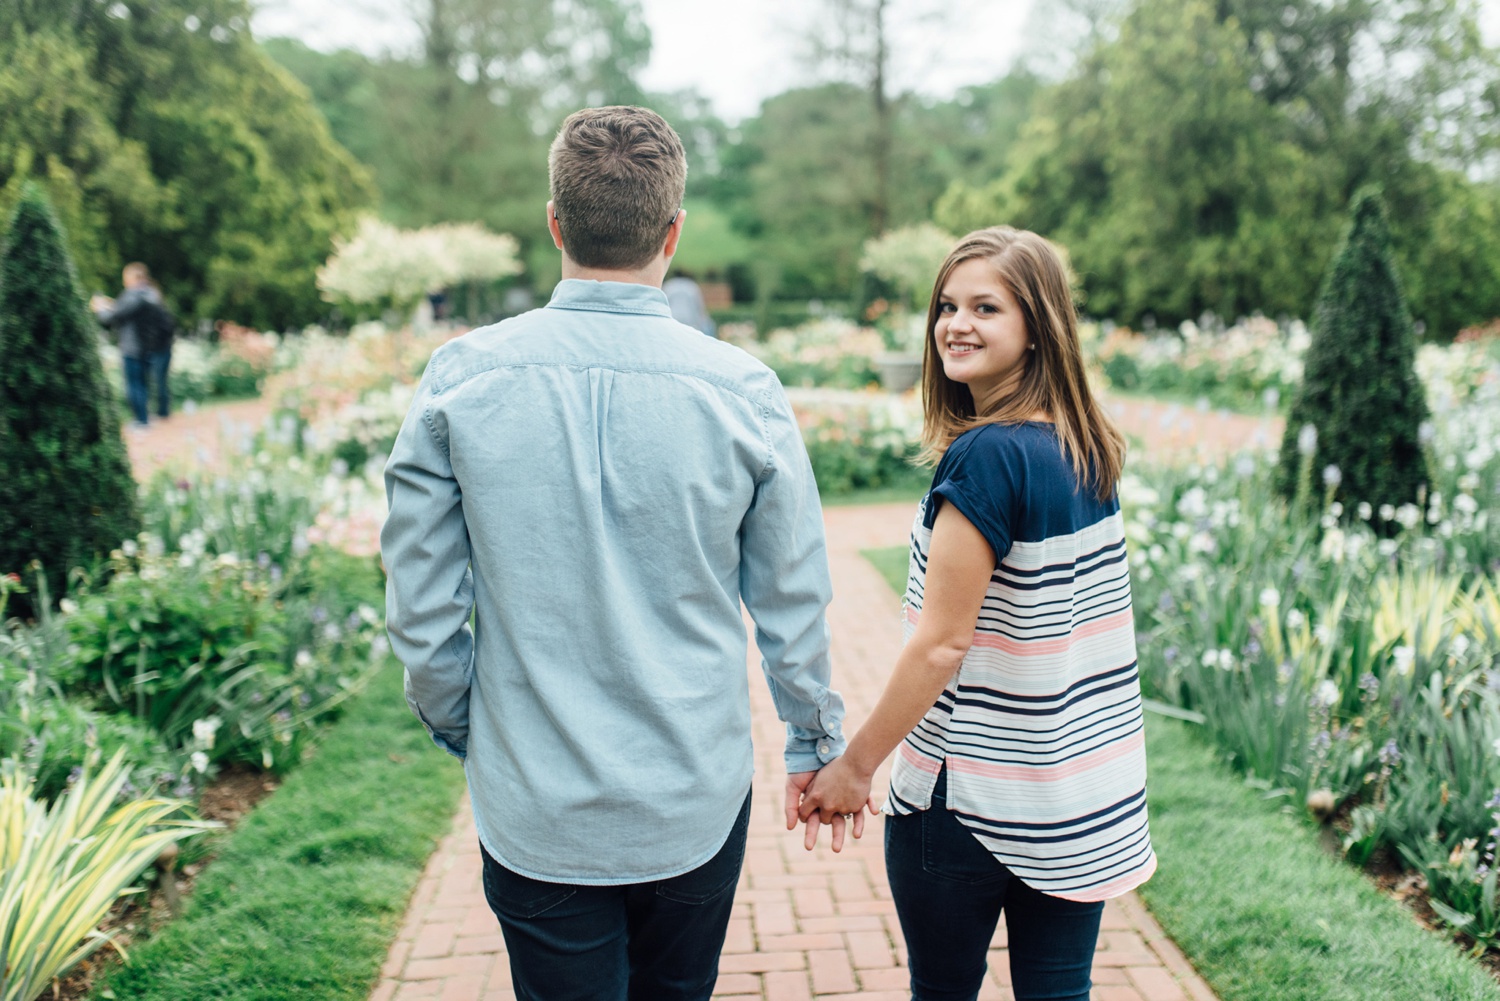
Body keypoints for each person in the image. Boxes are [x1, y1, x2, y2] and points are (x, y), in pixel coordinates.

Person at [380, 106, 852, 1001]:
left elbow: (421, 605)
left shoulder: (460, 379)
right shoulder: (743, 391)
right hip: (692, 790)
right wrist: (812, 739)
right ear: (673, 232)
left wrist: (463, 725)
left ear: (554, 223)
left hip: (535, 796)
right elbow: (793, 601)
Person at [798, 227, 1156, 1001]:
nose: (956, 323)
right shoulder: (1086, 447)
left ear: (1038, 329)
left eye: (986, 307)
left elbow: (940, 644)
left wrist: (855, 766)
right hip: (1077, 793)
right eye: (948, 304)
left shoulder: (987, 456)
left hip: (967, 801)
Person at [92, 262, 173, 427]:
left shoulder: (133, 296)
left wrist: (99, 309)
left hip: (132, 347)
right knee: (143, 384)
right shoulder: (152, 295)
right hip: (147, 346)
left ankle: (141, 420)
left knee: (134, 385)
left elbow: (112, 318)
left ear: (132, 278)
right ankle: (145, 417)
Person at [663, 269, 716, 337]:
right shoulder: (692, 286)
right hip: (690, 321)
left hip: (672, 319)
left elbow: (663, 304)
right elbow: (699, 307)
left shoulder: (668, 285)